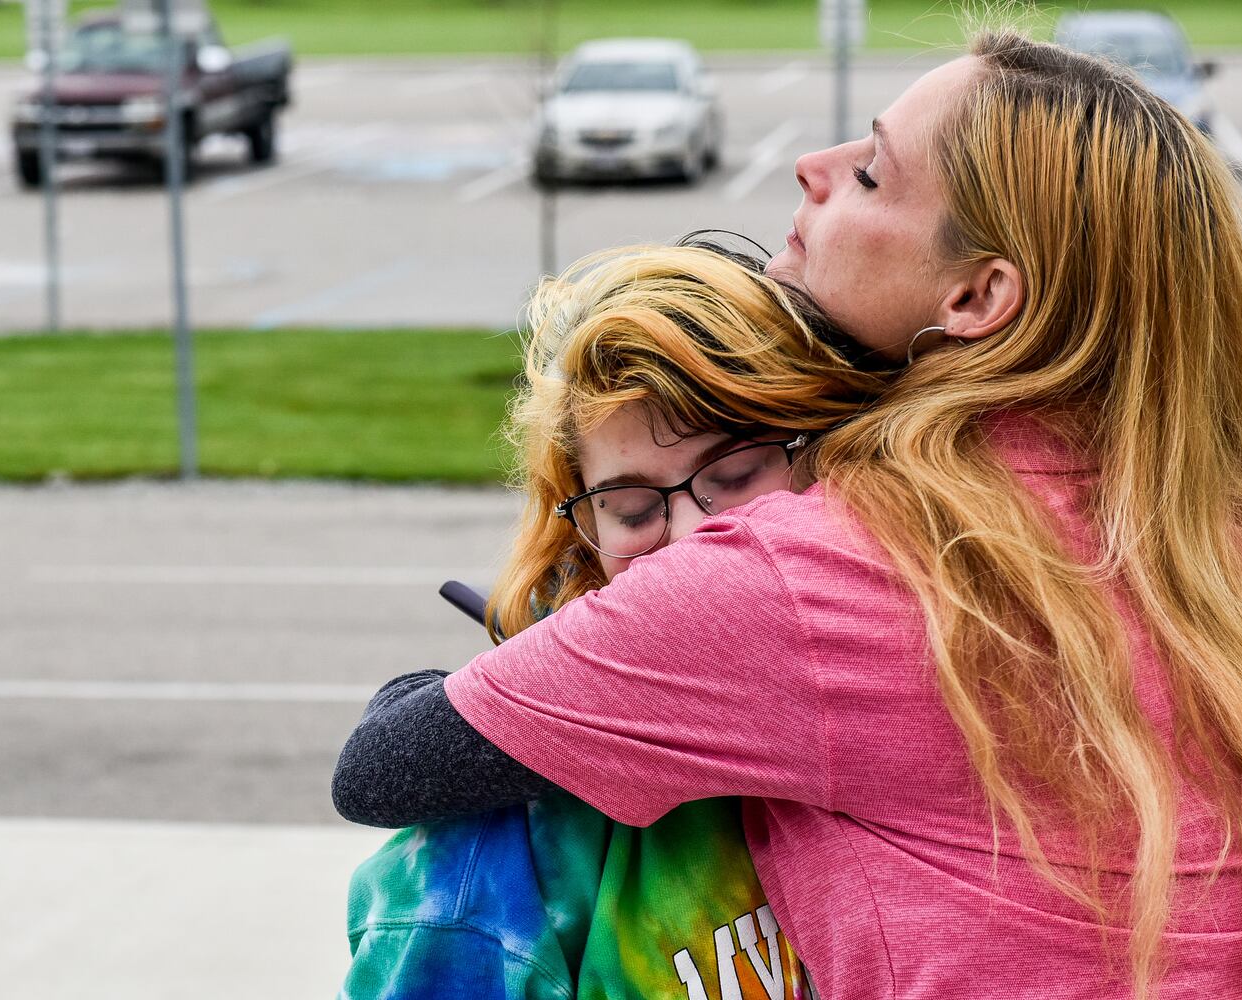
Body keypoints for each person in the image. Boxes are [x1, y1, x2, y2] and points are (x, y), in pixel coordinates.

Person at [336, 32, 1242, 999]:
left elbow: (383, 766)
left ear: (975, 300)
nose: (807, 172)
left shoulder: (824, 583)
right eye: (628, 505)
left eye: (864, 171)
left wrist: (564, 642)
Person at [338, 239, 889, 999]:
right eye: (630, 510)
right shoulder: (495, 870)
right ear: (578, 534)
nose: (696, 538)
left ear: (830, 450)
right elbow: (374, 774)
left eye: (734, 475)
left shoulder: (918, 689)